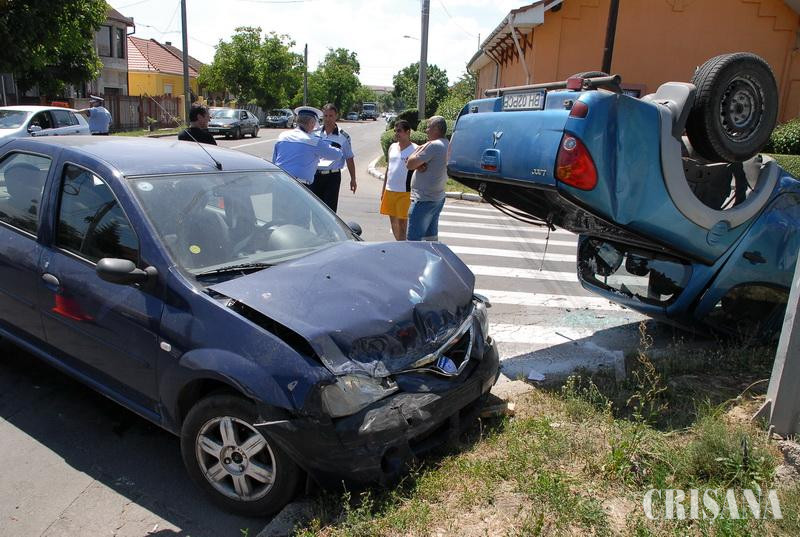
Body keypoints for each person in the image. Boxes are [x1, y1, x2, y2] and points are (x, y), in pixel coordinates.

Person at [272, 107, 343, 187]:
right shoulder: (313, 141)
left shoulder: (282, 136)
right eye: (314, 124)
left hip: (279, 181)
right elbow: (337, 155)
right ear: (311, 123)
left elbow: (274, 160)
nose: (314, 127)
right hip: (298, 186)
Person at [405, 116, 449, 241]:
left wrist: (419, 149)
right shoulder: (447, 144)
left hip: (424, 199)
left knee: (414, 241)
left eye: (428, 127)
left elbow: (410, 164)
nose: (426, 130)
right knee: (431, 239)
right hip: (437, 198)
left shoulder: (433, 145)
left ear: (436, 129)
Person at [311, 103, 356, 213]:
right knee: (314, 209)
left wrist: (353, 179)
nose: (328, 119)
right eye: (325, 116)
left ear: (336, 116)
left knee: (329, 211)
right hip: (314, 175)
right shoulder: (315, 133)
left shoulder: (343, 137)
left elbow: (349, 158)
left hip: (332, 177)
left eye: (331, 116)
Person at [380, 120, 417, 240]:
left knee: (402, 223)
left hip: (405, 192)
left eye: (399, 131)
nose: (396, 133)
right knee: (393, 222)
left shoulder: (415, 149)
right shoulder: (392, 147)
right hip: (390, 190)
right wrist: (383, 190)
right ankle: (399, 243)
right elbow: (388, 169)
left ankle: (403, 246)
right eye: (395, 131)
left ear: (408, 132)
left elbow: (421, 169)